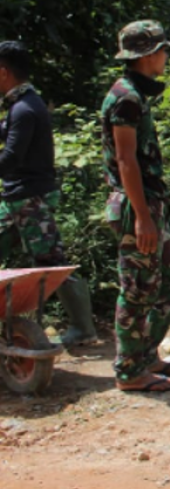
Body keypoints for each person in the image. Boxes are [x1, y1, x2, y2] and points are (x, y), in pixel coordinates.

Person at [101, 21, 170, 391]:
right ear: (148, 55)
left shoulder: (137, 94)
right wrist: (141, 217)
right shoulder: (126, 98)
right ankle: (130, 371)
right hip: (136, 207)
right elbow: (126, 161)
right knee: (137, 288)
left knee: (168, 281)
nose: (166, 58)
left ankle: (147, 355)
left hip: (150, 204)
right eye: (163, 51)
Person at [0, 41, 98, 346]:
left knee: (52, 263)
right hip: (18, 198)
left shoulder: (25, 109)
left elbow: (12, 157)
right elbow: (8, 133)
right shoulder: (24, 104)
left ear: (3, 73)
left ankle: (83, 328)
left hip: (30, 199)